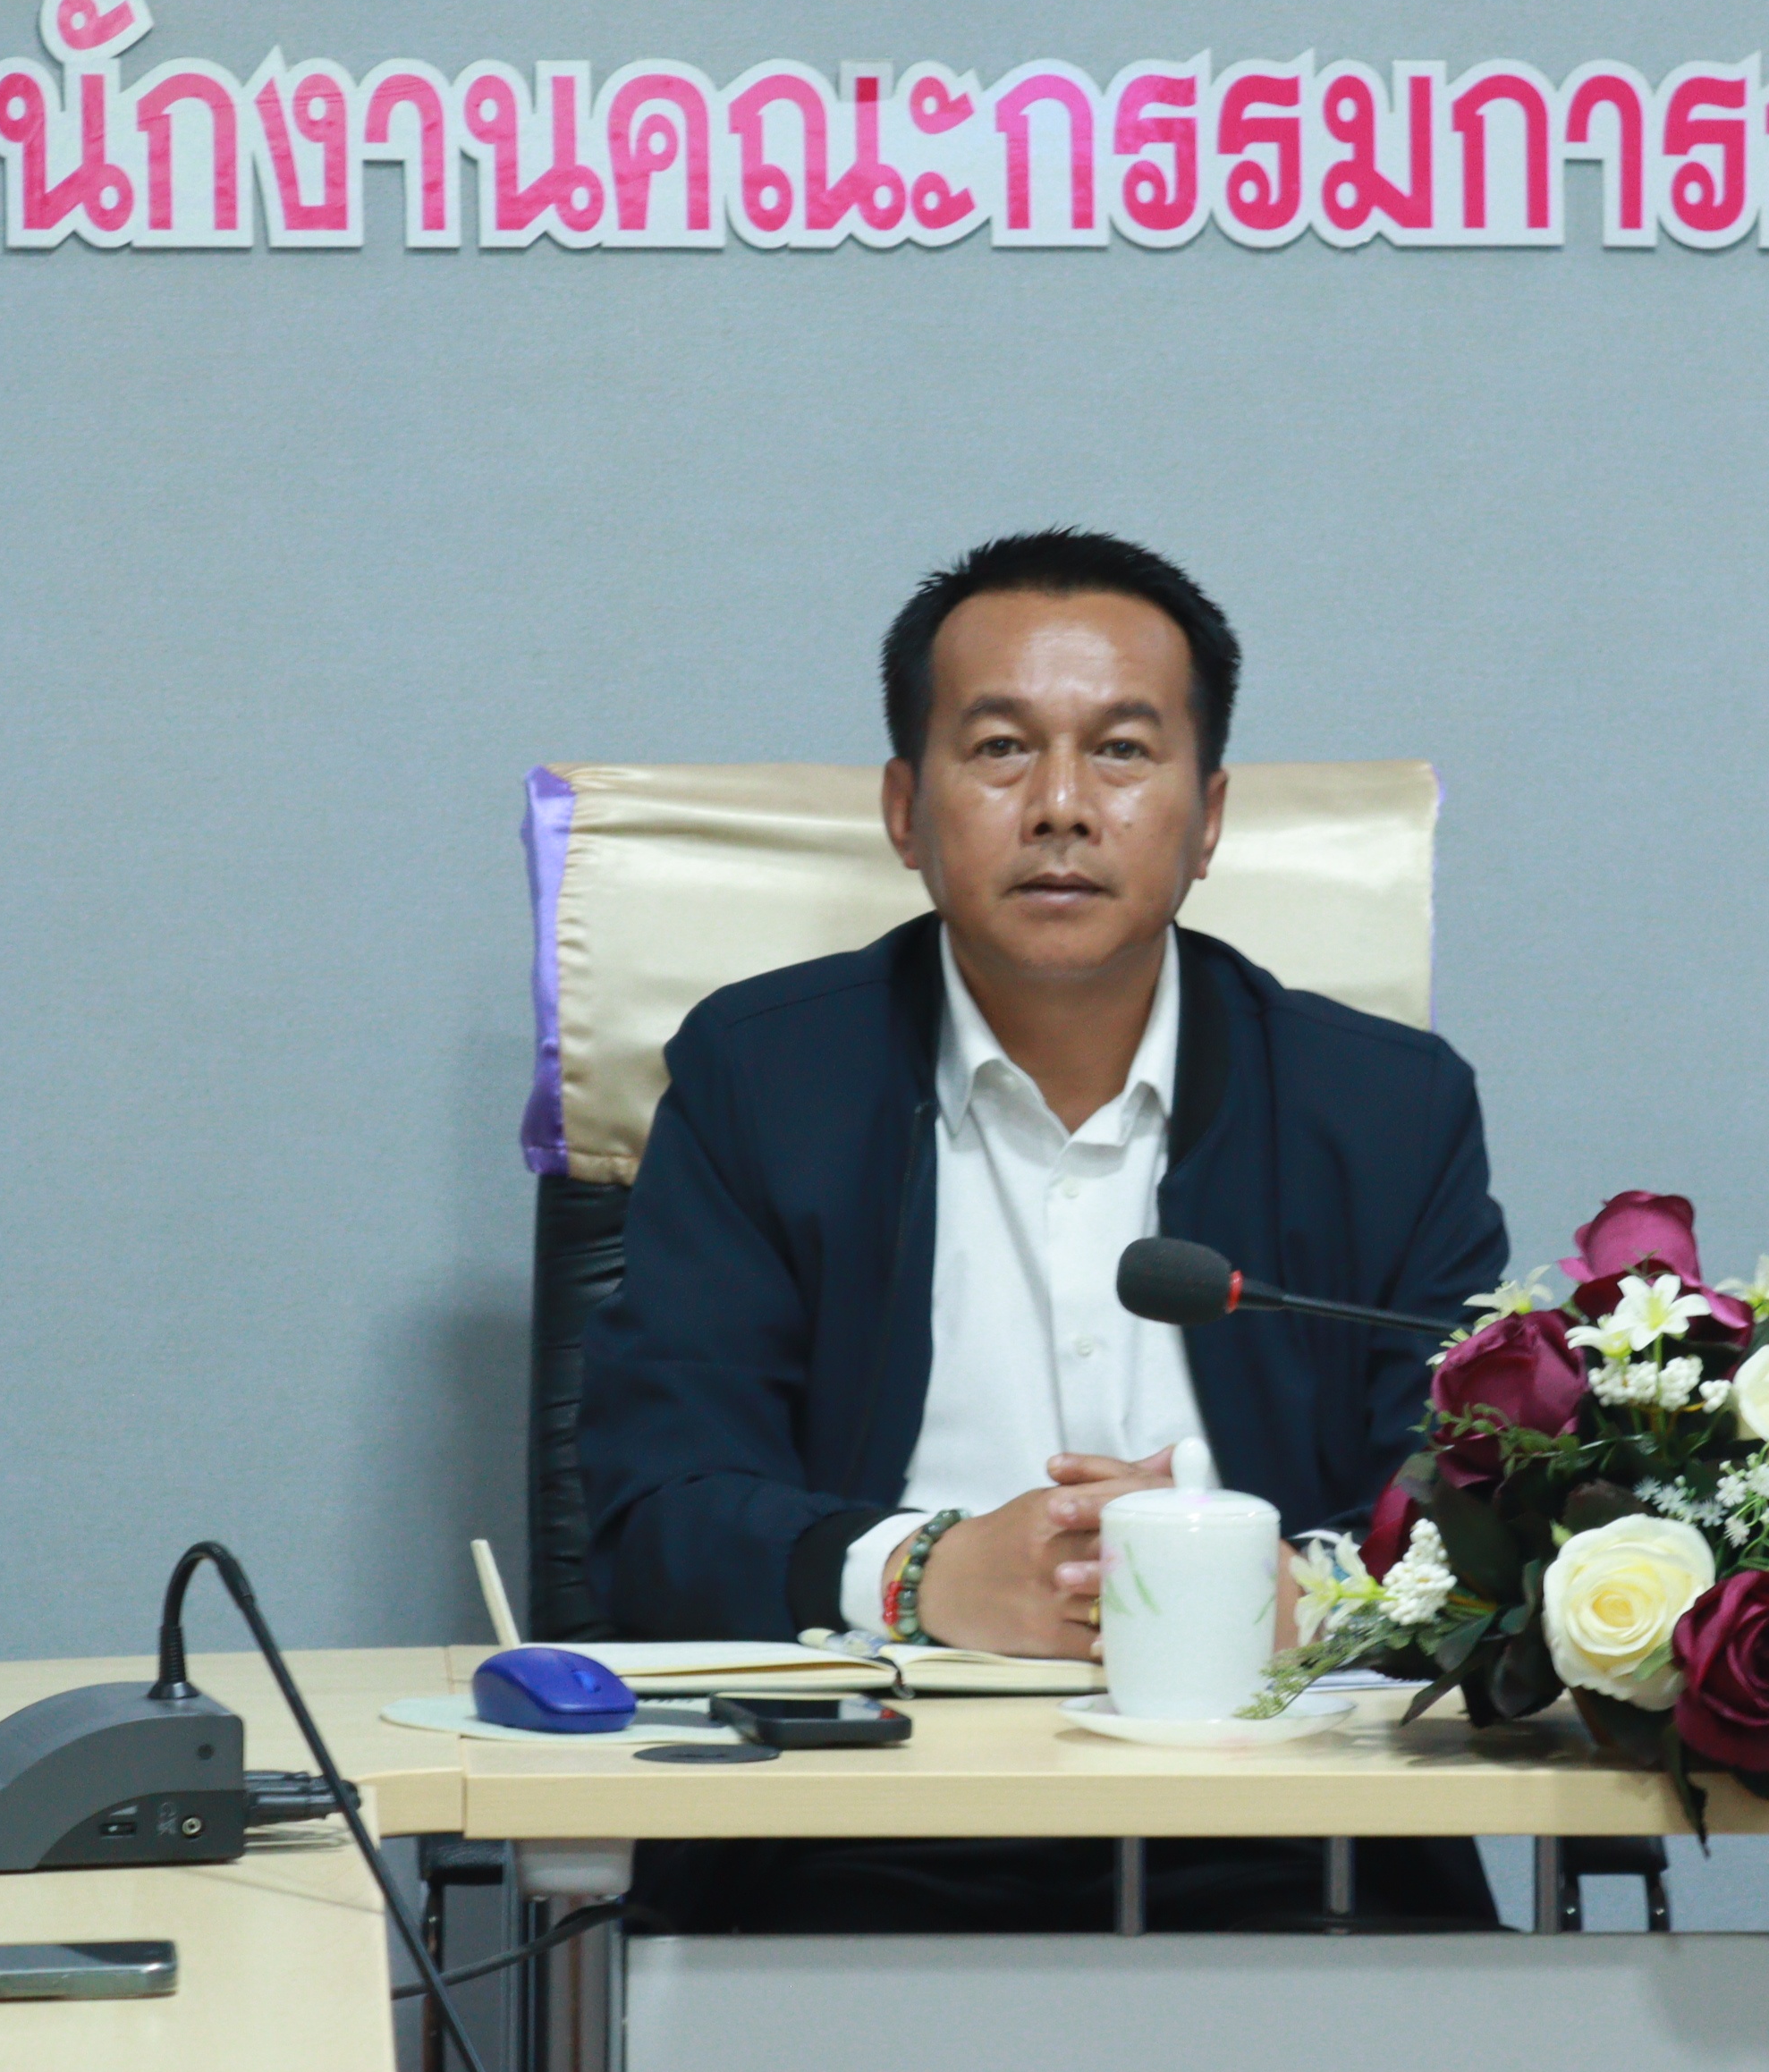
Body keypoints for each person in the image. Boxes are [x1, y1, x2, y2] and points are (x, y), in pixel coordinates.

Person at [576, 529, 1510, 1931]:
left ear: (1208, 818)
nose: (1062, 806)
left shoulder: (1384, 1110)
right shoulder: (763, 1079)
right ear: (906, 810)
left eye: (1123, 752)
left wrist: (1298, 1596)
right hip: (851, 1826)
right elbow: (660, 1513)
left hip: (1290, 1826)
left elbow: (1468, 1511)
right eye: (1002, 749)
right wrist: (926, 1573)